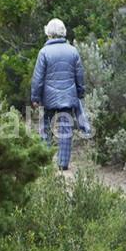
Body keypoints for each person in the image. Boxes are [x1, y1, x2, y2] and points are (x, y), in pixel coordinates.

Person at [30, 18, 85, 171]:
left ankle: (45, 161)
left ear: (48, 33)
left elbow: (37, 78)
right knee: (66, 128)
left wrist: (35, 97)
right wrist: (80, 92)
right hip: (68, 96)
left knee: (45, 128)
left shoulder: (44, 52)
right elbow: (79, 75)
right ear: (63, 32)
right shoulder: (73, 51)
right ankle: (63, 163)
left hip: (48, 98)